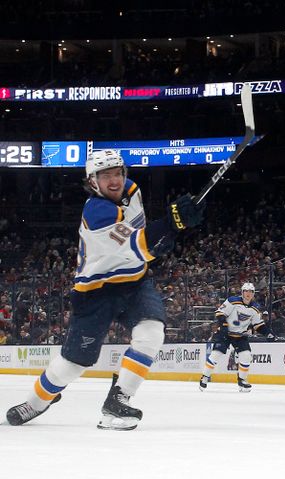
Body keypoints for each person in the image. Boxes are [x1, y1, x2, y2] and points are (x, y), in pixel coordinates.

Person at [5, 149, 204, 429]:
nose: (114, 180)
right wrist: (172, 223)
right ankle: (35, 403)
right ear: (92, 181)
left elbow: (144, 243)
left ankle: (118, 401)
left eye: (118, 173)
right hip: (95, 291)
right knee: (73, 363)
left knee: (151, 334)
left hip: (134, 283)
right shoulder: (96, 212)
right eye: (105, 175)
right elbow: (137, 244)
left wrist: (170, 229)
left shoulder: (132, 190)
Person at [199, 282, 270, 392]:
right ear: (242, 292)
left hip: (240, 336)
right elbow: (219, 313)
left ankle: (242, 380)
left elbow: (258, 325)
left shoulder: (255, 308)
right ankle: (204, 377)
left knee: (246, 356)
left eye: (251, 291)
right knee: (216, 355)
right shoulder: (233, 300)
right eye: (246, 291)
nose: (248, 293)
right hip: (225, 333)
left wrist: (268, 333)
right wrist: (224, 325)